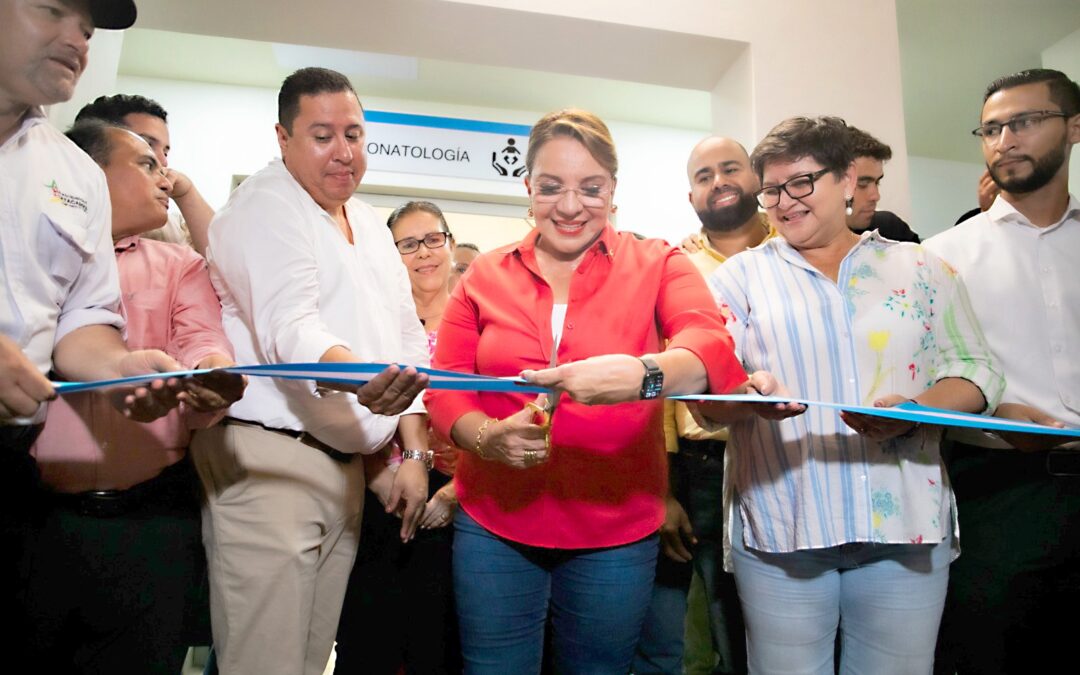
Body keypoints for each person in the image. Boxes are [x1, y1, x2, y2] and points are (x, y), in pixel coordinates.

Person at [425, 108, 746, 674]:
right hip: (495, 521)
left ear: (614, 191)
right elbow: (447, 386)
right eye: (551, 188)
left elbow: (708, 343)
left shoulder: (659, 262)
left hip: (615, 529)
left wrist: (645, 374)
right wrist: (486, 437)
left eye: (590, 188)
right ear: (527, 188)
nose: (570, 207)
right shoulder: (484, 274)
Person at [698, 116, 1003, 674]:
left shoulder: (921, 268)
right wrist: (749, 396)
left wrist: (917, 410)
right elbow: (707, 396)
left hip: (905, 523)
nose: (783, 202)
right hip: (784, 523)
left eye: (801, 183)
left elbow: (977, 368)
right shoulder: (737, 279)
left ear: (846, 180)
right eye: (771, 189)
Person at [194, 67, 431, 675]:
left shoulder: (371, 223)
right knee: (264, 664)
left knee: (307, 661)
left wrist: (412, 452)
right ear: (283, 137)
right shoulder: (266, 206)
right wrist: (363, 379)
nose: (343, 153)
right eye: (322, 135)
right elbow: (290, 330)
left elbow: (407, 337)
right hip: (273, 462)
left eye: (353, 134)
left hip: (344, 471)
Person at [19, 120, 244, 673]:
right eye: (146, 163)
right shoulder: (29, 247)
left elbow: (203, 343)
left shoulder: (181, 265)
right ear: (88, 174)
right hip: (31, 515)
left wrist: (213, 377)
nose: (164, 176)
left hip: (147, 523)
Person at [925, 68, 1080, 675]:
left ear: (1073, 128)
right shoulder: (941, 255)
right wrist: (989, 407)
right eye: (990, 129)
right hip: (999, 492)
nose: (1004, 140)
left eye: (1023, 122)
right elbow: (925, 377)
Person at [635, 136, 769, 675]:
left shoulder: (795, 247)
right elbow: (658, 382)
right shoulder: (676, 269)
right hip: (704, 465)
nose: (719, 182)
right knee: (715, 608)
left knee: (775, 614)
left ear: (756, 178)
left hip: (789, 453)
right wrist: (663, 488)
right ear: (690, 195)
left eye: (730, 169)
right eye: (704, 175)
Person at [336, 200, 463, 675]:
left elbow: (498, 413)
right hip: (379, 489)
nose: (424, 253)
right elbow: (344, 406)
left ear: (449, 243)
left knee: (439, 642)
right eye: (407, 245)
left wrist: (455, 491)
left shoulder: (476, 323)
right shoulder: (371, 326)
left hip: (457, 496)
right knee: (367, 639)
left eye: (434, 239)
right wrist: (374, 474)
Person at [75, 93, 215, 254]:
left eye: (166, 152)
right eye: (147, 144)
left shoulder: (170, 233)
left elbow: (225, 263)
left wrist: (186, 194)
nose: (163, 162)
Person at [844, 125, 921, 242]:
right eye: (863, 184)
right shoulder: (808, 246)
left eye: (877, 182)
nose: (876, 196)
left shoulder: (892, 230)